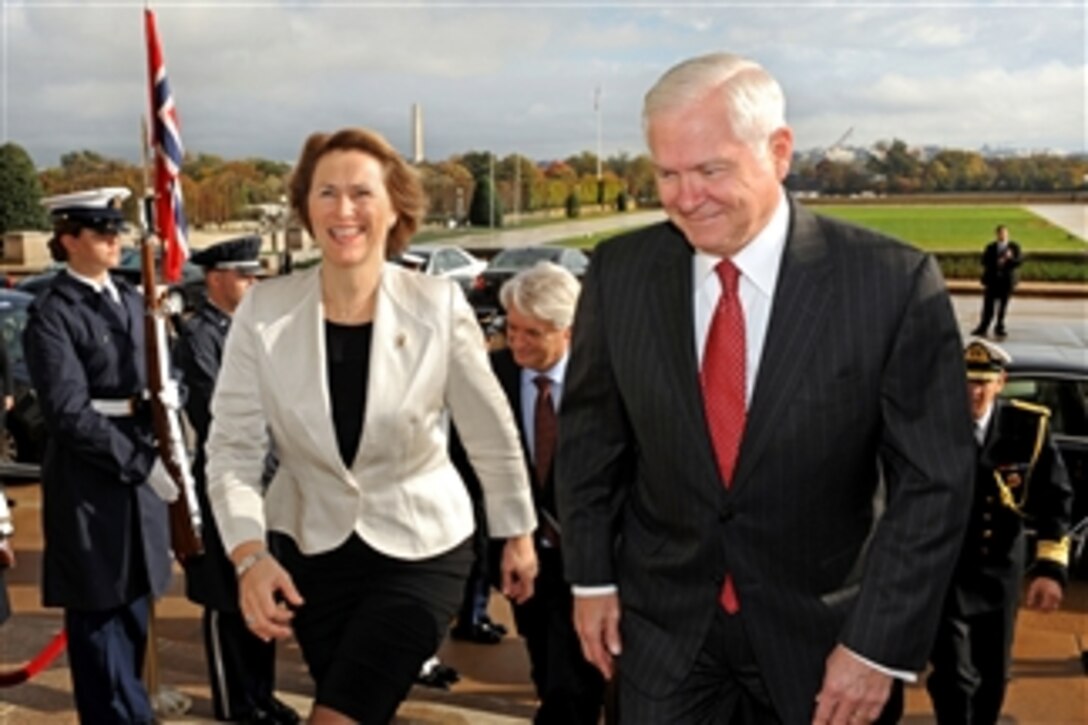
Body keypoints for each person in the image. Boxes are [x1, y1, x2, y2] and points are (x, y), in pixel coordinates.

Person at [556, 52, 976, 725]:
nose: (685, 196)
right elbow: (589, 442)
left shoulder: (891, 284)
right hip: (662, 639)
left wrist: (877, 645)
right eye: (667, 173)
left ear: (779, 151)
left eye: (711, 169)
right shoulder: (618, 273)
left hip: (826, 646)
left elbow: (935, 483)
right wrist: (592, 576)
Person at [205, 127, 539, 724]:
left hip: (422, 549)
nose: (343, 209)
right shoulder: (264, 310)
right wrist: (249, 556)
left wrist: (516, 529)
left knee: (337, 717)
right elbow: (231, 447)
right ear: (306, 208)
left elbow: (489, 431)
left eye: (361, 193)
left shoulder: (437, 305)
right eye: (326, 192)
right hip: (311, 555)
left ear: (393, 209)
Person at [23, 187, 174, 723]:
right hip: (93, 480)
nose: (115, 240)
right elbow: (68, 412)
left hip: (140, 468)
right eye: (100, 231)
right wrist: (139, 463)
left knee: (132, 614)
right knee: (101, 622)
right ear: (68, 240)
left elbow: (154, 376)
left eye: (116, 230)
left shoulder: (132, 300)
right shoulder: (53, 313)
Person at [456, 262, 605, 724]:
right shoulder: (490, 376)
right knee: (547, 670)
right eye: (512, 328)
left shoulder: (606, 382)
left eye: (532, 333)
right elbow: (467, 464)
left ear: (568, 331)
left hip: (596, 564)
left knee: (574, 687)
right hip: (522, 563)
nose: (516, 342)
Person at [175, 236, 299, 724]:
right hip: (227, 483)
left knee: (261, 597)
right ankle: (237, 704)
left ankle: (262, 695)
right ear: (216, 279)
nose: (253, 284)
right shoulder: (199, 337)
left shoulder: (253, 332)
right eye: (245, 276)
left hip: (268, 483)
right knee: (228, 602)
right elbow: (215, 416)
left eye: (255, 276)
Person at [924, 339, 1072, 724]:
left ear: (1001, 382)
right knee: (954, 676)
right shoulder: (931, 426)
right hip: (947, 573)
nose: (973, 392)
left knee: (992, 675)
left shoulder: (1028, 428)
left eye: (982, 383)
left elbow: (1056, 501)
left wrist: (1049, 570)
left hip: (999, 572)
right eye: (966, 382)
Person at [971, 224, 1022, 338]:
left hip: (1006, 282)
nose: (1002, 235)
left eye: (1004, 233)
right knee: (988, 306)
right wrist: (996, 262)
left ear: (1007, 234)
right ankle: (983, 327)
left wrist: (1009, 259)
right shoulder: (990, 247)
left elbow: (1019, 262)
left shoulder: (1014, 247)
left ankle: (999, 327)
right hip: (992, 281)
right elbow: (984, 261)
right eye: (1000, 233)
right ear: (997, 234)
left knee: (1003, 306)